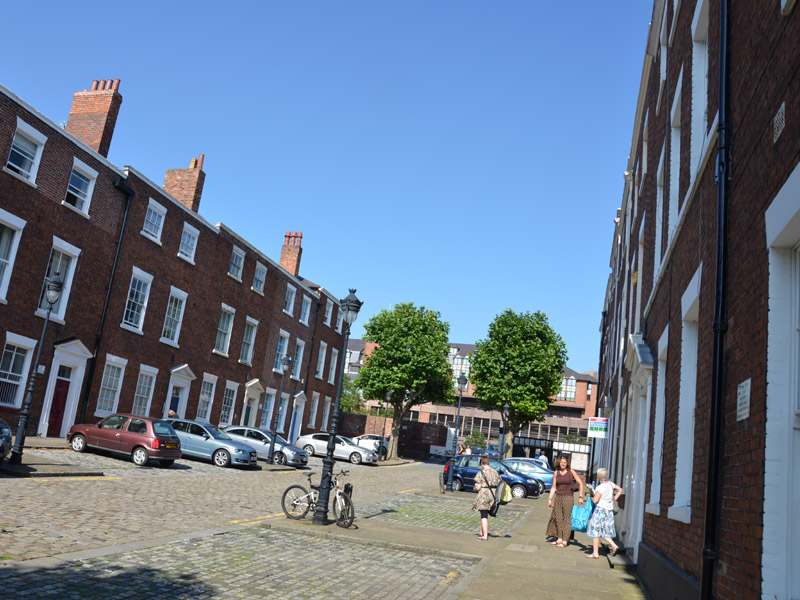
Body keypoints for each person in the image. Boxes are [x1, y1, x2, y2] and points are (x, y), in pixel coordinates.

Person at [546, 455, 584, 548]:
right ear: (559, 463)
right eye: (562, 462)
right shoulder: (556, 473)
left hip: (568, 497)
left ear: (567, 463)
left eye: (565, 462)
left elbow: (580, 483)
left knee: (567, 519)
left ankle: (565, 540)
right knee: (558, 518)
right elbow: (554, 487)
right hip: (558, 497)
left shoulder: (571, 472)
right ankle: (559, 538)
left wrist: (580, 496)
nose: (563, 464)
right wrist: (550, 499)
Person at [585, 467, 623, 558]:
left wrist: (592, 497)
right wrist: (614, 499)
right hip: (608, 511)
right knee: (604, 531)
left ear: (598, 476)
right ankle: (613, 545)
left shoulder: (600, 487)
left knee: (595, 530)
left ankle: (595, 553)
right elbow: (620, 490)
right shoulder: (610, 484)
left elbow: (595, 500)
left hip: (600, 511)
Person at [472, 455, 501, 541]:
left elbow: (478, 487)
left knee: (483, 515)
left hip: (484, 494)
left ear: (482, 463)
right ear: (488, 462)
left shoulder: (481, 473)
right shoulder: (495, 472)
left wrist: (474, 488)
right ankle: (481, 532)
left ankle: (485, 535)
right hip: (492, 495)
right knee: (484, 513)